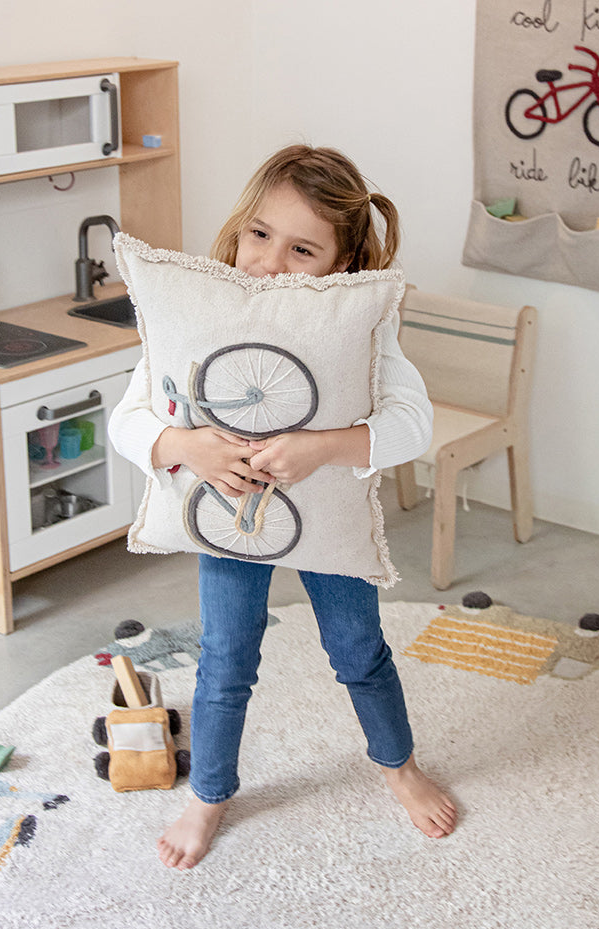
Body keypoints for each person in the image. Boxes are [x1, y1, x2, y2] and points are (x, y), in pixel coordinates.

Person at [110, 145, 457, 869]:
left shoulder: (361, 325)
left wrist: (325, 447)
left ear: (342, 263)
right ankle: (209, 793)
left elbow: (414, 424)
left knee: (360, 652)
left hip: (327, 524)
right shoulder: (200, 314)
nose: (270, 260)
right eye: (260, 234)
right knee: (225, 660)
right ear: (238, 227)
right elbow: (128, 418)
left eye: (303, 249)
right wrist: (184, 444)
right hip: (230, 524)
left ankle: (399, 767)